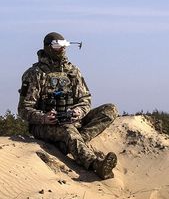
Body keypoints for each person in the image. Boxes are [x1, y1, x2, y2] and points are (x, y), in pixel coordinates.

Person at [18, 32, 118, 178]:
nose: (62, 49)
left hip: (73, 119)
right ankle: (95, 164)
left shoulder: (73, 71)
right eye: (57, 46)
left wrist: (79, 111)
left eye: (63, 46)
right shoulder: (35, 74)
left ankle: (69, 144)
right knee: (68, 130)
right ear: (48, 47)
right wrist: (44, 118)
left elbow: (85, 98)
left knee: (110, 109)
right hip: (45, 125)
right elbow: (23, 109)